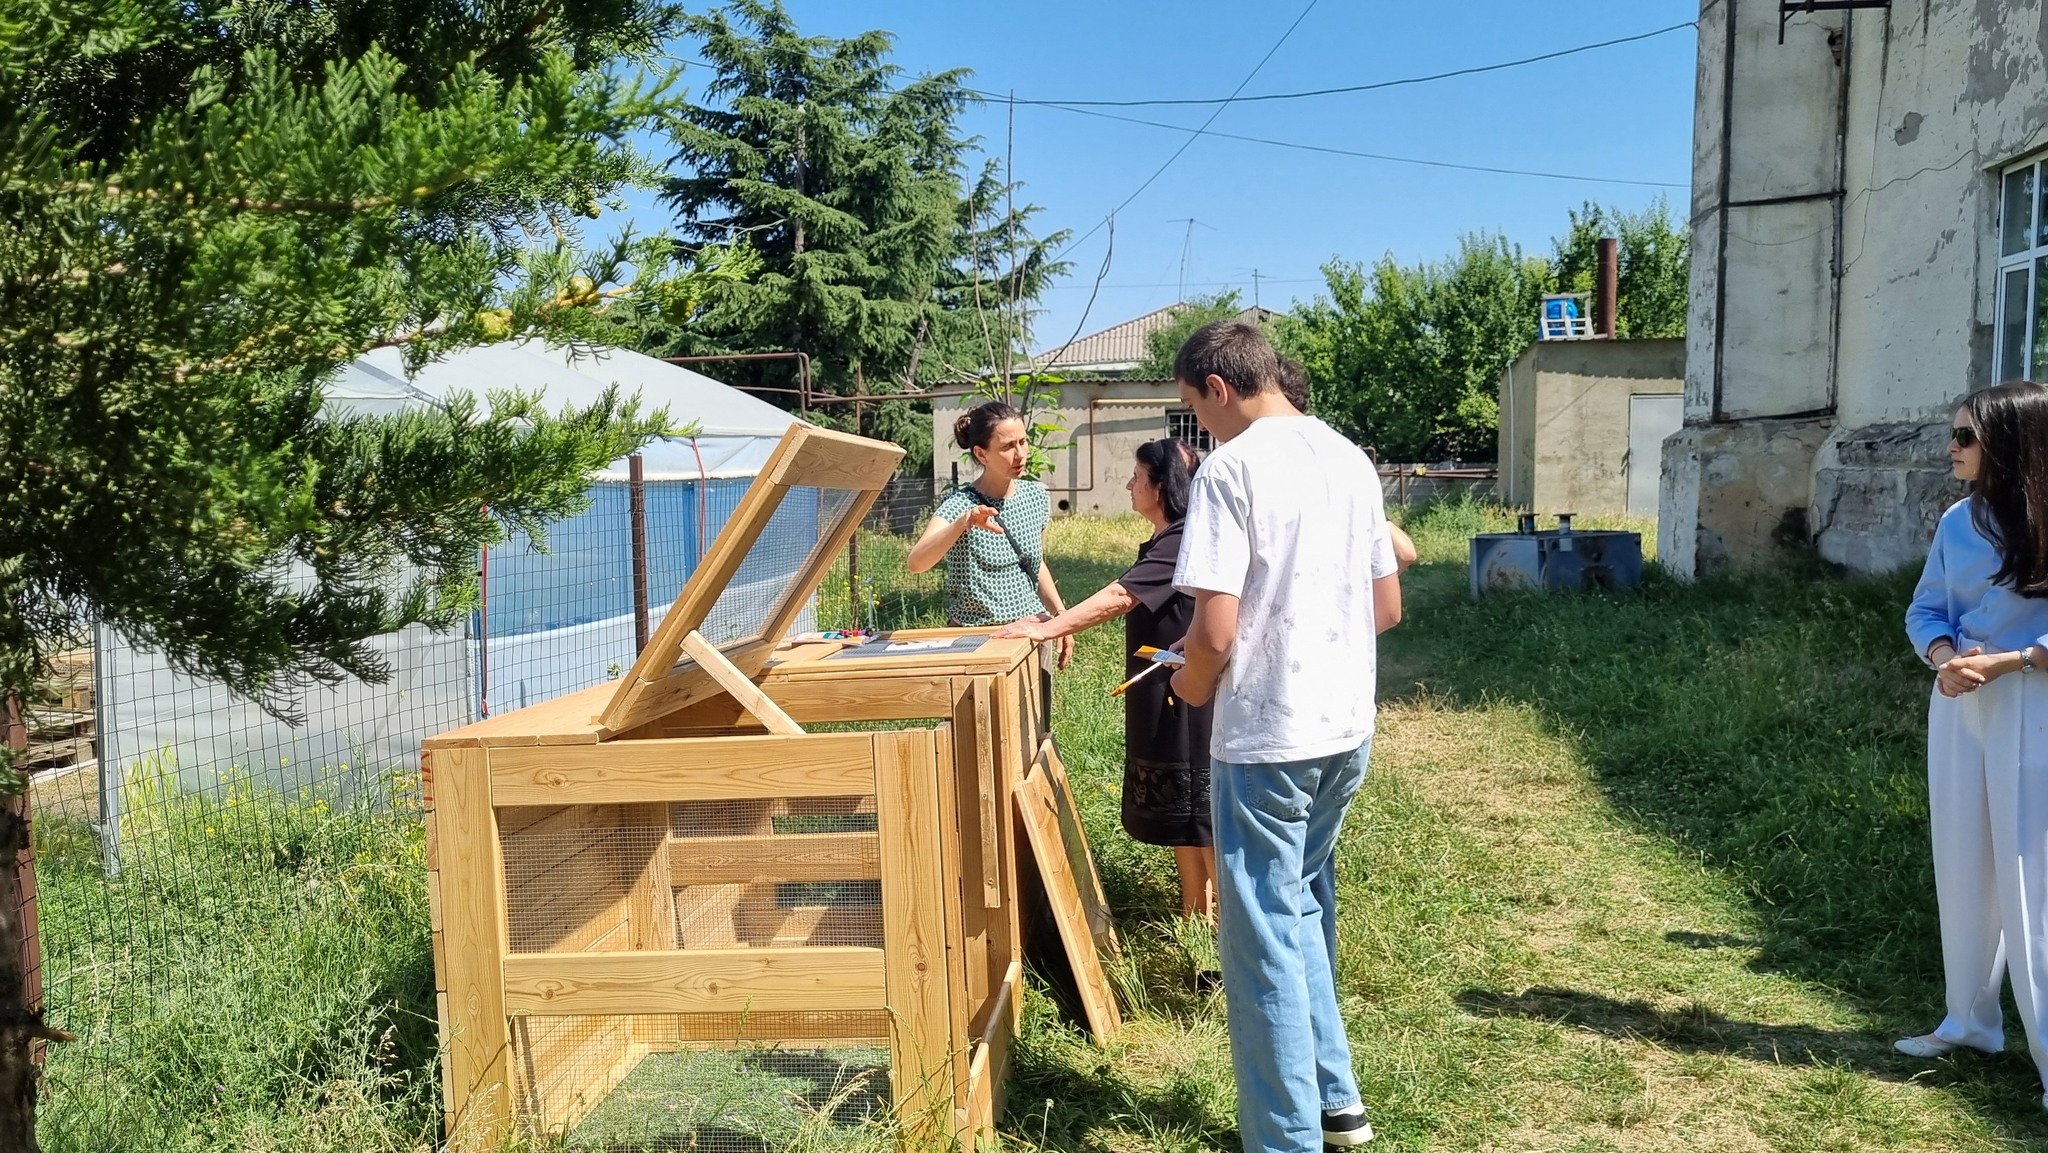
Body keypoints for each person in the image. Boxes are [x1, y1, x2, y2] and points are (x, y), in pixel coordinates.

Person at [1168, 320, 1402, 1153]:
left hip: (1270, 735)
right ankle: (1337, 1102)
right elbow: (1386, 607)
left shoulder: (1230, 470)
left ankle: (1282, 1138)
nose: (1197, 426)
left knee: (1260, 935)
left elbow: (1216, 633)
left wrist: (1187, 683)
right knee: (1299, 906)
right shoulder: (1348, 457)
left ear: (1217, 389)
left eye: (1193, 408)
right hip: (1344, 728)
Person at [1898, 381, 2048, 1109]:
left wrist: (2010, 661)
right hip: (1960, 706)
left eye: (1964, 437)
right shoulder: (1958, 519)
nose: (1951, 449)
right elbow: (1925, 604)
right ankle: (1970, 1021)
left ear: (2008, 443)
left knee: (2033, 884)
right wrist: (1941, 653)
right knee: (1963, 865)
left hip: (2033, 705)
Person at [992, 439, 1218, 918]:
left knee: (1204, 824)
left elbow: (1121, 597)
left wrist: (1047, 627)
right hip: (1163, 691)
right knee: (1184, 823)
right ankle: (1196, 916)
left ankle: (1226, 934)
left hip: (1187, 699)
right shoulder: (1165, 538)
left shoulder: (1181, 539)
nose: (1130, 484)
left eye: (1137, 476)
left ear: (1161, 486)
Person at [907, 402, 1073, 667]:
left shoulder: (1036, 497)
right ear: (981, 454)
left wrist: (1061, 617)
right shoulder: (960, 504)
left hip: (1032, 634)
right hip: (976, 640)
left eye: (1023, 442)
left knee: (1036, 710)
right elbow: (916, 563)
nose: (1020, 454)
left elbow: (1036, 563)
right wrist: (962, 523)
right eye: (1008, 446)